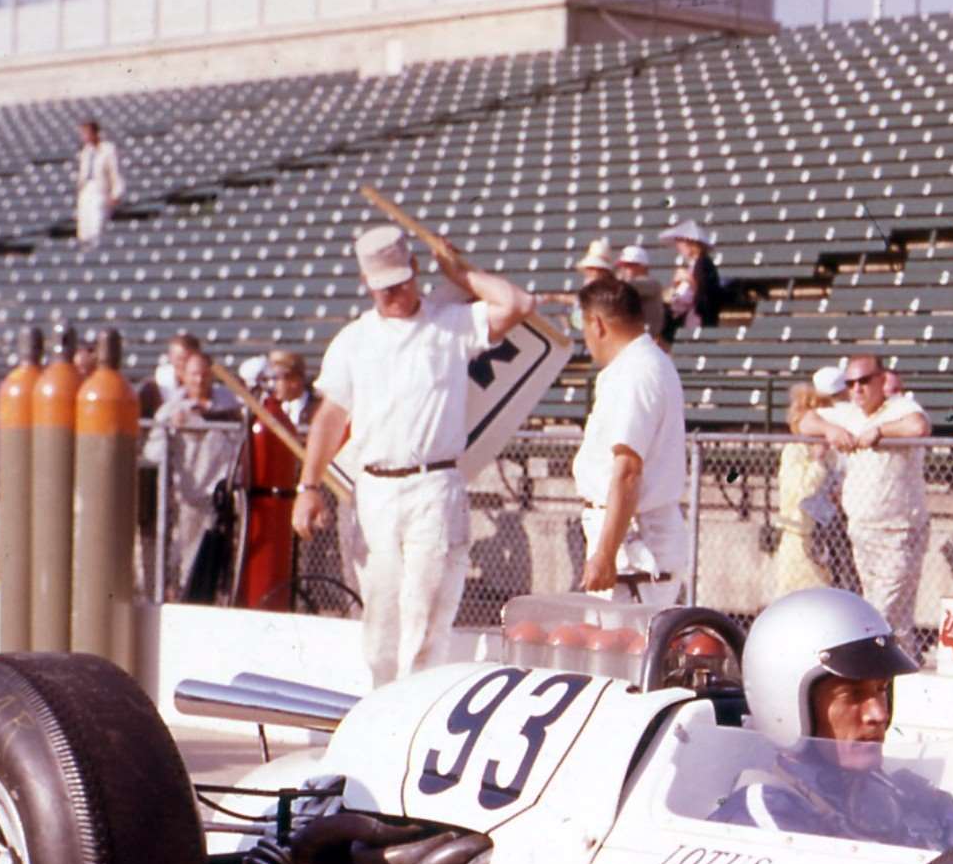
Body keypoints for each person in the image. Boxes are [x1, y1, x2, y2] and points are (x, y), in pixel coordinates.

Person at [296, 222, 535, 686]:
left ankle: (416, 711)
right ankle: (382, 706)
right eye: (383, 288)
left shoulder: (450, 324)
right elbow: (329, 417)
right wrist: (308, 486)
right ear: (367, 285)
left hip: (435, 486)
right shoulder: (353, 340)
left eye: (402, 283)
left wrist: (462, 275)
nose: (393, 295)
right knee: (381, 617)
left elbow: (519, 305)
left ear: (417, 272)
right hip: (376, 491)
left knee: (427, 616)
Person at [719, 586, 953, 850]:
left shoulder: (909, 797)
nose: (878, 714)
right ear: (787, 704)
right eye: (853, 695)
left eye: (881, 690)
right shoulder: (764, 814)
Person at [573, 273, 690, 603]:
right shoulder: (642, 365)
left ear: (597, 324)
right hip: (628, 539)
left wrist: (605, 553)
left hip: (635, 546)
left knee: (626, 648)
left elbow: (627, 470)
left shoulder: (636, 373)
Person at [814, 351, 932, 639]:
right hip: (862, 528)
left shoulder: (900, 406)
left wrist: (880, 431)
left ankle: (871, 668)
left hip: (899, 529)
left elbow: (918, 426)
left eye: (864, 381)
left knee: (881, 612)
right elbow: (802, 419)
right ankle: (896, 677)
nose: (857, 389)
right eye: (851, 383)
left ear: (881, 380)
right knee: (895, 619)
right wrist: (829, 429)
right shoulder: (848, 412)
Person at [148, 337, 242, 599]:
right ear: (182, 376)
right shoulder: (171, 410)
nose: (199, 380)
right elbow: (152, 454)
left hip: (225, 497)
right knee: (191, 558)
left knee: (228, 560)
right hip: (192, 499)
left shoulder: (230, 404)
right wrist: (173, 431)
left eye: (203, 374)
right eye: (193, 375)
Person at [238, 346, 313, 613]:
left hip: (298, 497)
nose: (273, 383)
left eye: (278, 376)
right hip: (264, 501)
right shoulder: (262, 417)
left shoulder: (311, 411)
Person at [771, 366, 851, 599]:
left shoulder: (833, 455)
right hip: (799, 533)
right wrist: (817, 462)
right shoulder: (796, 451)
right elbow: (800, 492)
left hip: (828, 532)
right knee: (798, 594)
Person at [661, 220, 723, 338]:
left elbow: (706, 293)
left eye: (680, 242)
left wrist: (689, 279)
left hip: (700, 319)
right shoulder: (694, 265)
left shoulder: (704, 263)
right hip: (690, 318)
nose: (678, 247)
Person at [74, 117, 126, 248]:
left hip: (99, 191)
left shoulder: (108, 149)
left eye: (86, 133)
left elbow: (115, 172)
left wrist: (116, 194)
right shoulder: (85, 152)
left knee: (96, 227)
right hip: (86, 192)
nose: (84, 136)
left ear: (95, 133)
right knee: (84, 229)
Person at [613, 243, 670, 341]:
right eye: (623, 266)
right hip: (634, 337)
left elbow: (628, 287)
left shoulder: (651, 284)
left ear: (642, 266)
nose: (624, 270)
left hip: (648, 338)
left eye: (629, 266)